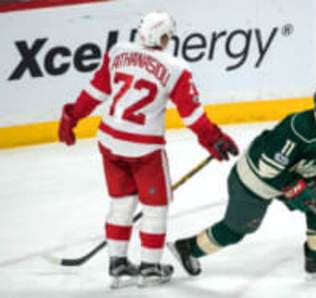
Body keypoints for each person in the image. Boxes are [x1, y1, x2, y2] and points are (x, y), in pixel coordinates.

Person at [57, 11, 238, 288]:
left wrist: (72, 117)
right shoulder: (176, 68)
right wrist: (214, 139)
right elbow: (192, 116)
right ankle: (151, 267)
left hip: (109, 142)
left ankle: (117, 264)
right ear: (161, 36)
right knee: (156, 208)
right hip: (143, 149)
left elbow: (95, 92)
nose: (169, 40)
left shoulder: (118, 52)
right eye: (168, 35)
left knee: (121, 205)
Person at [169, 83, 316, 278]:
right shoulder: (297, 129)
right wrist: (295, 189)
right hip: (252, 182)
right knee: (236, 230)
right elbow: (267, 169)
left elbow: (311, 169)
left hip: (282, 179)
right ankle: (187, 248)